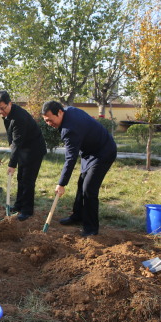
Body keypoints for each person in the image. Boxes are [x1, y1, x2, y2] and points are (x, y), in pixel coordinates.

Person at [41, 101, 117, 237]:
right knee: (82, 183)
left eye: (50, 120)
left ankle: (91, 228)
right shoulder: (68, 111)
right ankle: (78, 216)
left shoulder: (70, 129)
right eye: (46, 121)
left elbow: (70, 158)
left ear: (60, 112)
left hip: (104, 152)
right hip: (90, 152)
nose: (48, 123)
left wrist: (61, 184)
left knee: (89, 189)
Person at [0, 91, 47, 221]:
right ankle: (18, 206)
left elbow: (17, 142)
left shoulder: (19, 117)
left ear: (10, 103)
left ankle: (27, 210)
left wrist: (12, 164)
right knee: (20, 178)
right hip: (24, 148)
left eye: (2, 108)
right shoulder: (7, 113)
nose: (0, 111)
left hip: (34, 150)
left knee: (28, 180)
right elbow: (12, 137)